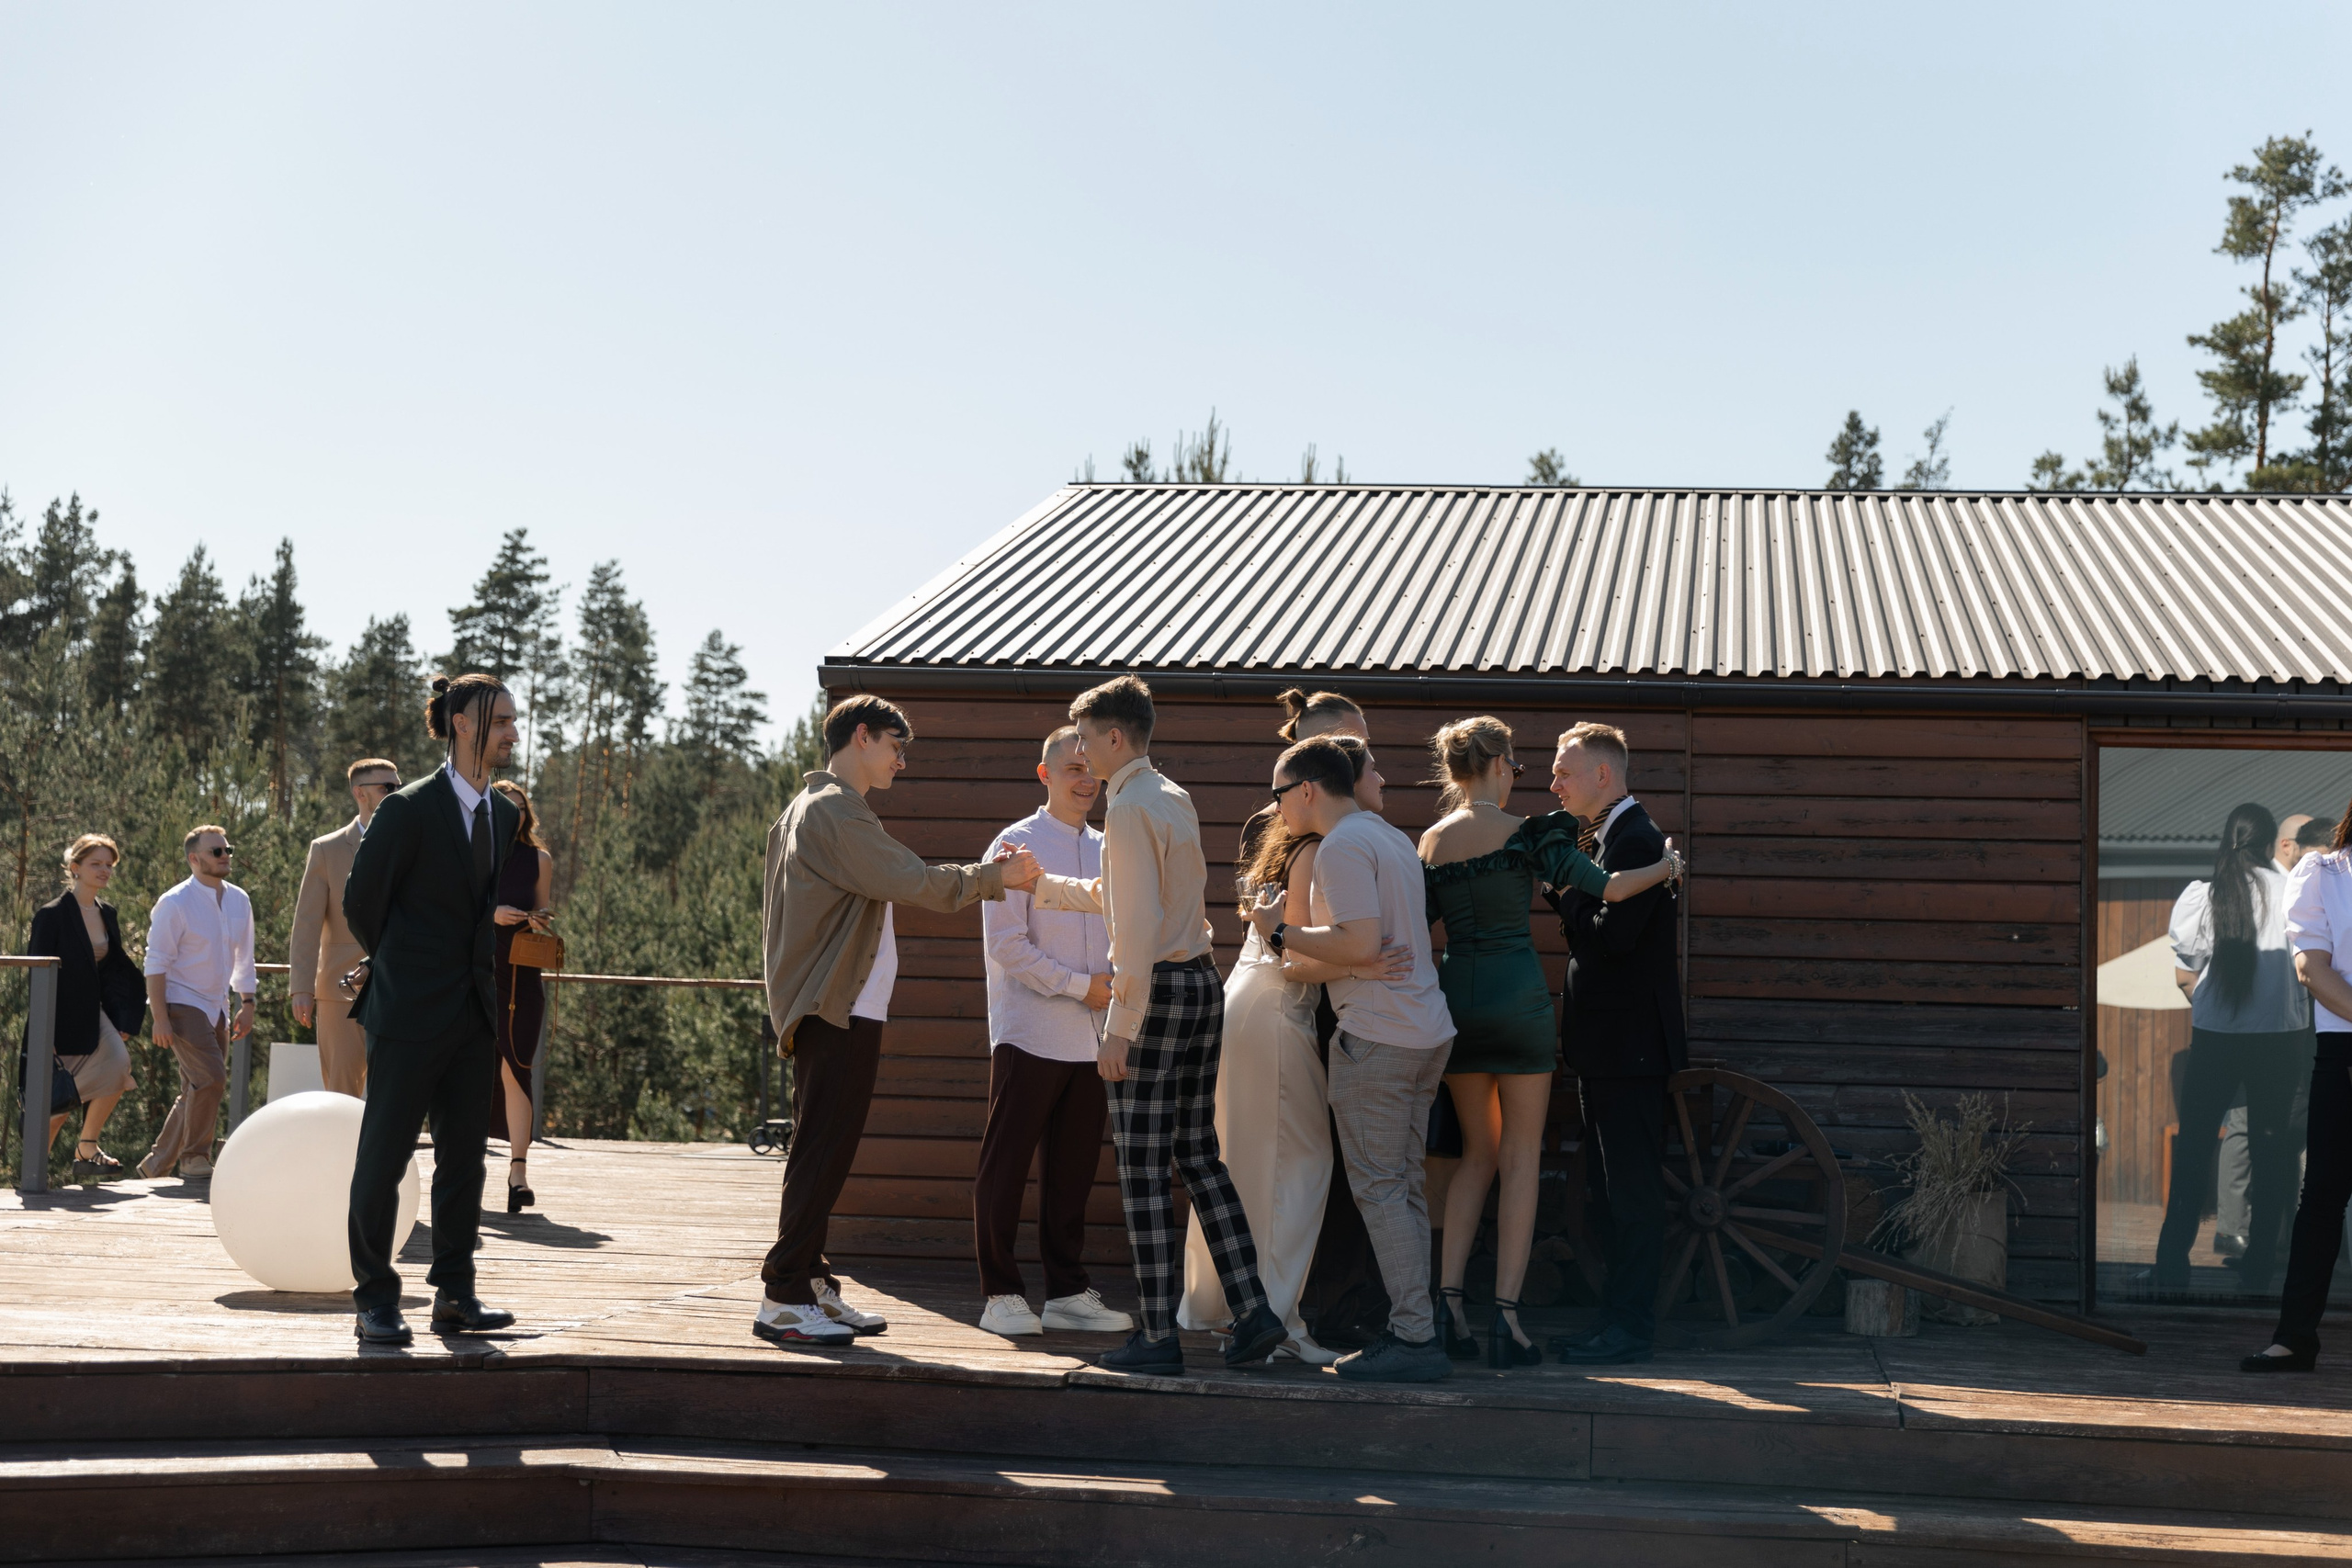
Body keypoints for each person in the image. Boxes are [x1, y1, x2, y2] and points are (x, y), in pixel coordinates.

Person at [759, 696, 1042, 1348]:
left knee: (821, 1151)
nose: (901, 760)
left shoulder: (806, 808)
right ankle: (783, 1292)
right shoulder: (834, 809)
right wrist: (995, 877)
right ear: (860, 736)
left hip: (833, 1005)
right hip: (838, 1008)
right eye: (894, 745)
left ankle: (811, 1280)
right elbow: (909, 878)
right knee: (822, 1152)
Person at [1029, 674, 1289, 1373]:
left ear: (1115, 736)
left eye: (1084, 739)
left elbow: (1135, 927)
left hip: (1156, 994)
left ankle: (1157, 1337)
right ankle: (1255, 1312)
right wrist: (1042, 885)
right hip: (1200, 982)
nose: (1080, 753)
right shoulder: (1168, 795)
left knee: (1142, 1168)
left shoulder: (1127, 809)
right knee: (1199, 1156)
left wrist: (1120, 1026)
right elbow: (1130, 897)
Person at [1419, 717, 1682, 1368]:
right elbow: (1614, 892)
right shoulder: (1531, 835)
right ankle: (1506, 1322)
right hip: (1519, 1006)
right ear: (1502, 765)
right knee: (1519, 1158)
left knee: (1473, 1155)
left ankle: (1447, 1306)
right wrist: (1667, 866)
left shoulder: (1429, 840)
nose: (1543, 779)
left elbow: (1414, 925)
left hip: (1459, 1005)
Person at [1181, 731, 1408, 1364]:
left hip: (1251, 1002)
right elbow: (1297, 953)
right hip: (1277, 1008)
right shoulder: (1314, 849)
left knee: (1255, 1160)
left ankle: (1239, 1305)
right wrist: (1366, 965)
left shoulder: (1294, 846)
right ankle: (1278, 1319)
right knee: (1301, 1166)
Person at [1239, 736, 1459, 1382]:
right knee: (1406, 1190)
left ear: (1307, 788)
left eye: (1280, 793)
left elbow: (1360, 941)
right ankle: (1417, 1324)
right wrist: (1345, 950)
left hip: (1380, 1037)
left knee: (1382, 1190)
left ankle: (1415, 1337)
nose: (1277, 807)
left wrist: (1275, 929)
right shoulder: (1389, 835)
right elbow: (1369, 942)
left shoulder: (1339, 846)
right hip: (1424, 1031)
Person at [343, 673, 525, 1346]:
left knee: (464, 1161)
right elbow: (363, 901)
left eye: (512, 718)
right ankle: (374, 1297)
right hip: (407, 1012)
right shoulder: (407, 810)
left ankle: (454, 1292)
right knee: (383, 1158)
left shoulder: (504, 815)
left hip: (474, 1014)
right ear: (463, 724)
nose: (512, 730)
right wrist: (403, 966)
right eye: (501, 720)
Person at [972, 727, 1132, 1338]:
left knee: (1072, 1172)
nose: (1084, 778)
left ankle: (1066, 1291)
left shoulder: (1111, 844)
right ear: (1045, 774)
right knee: (1006, 1166)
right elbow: (1008, 946)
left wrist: (1110, 994)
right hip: (1030, 1033)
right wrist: (1079, 986)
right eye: (1071, 767)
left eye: (1091, 767)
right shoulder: (1014, 843)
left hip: (1094, 1038)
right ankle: (1001, 1292)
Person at [1544, 722, 1689, 1367]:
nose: (1554, 784)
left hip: (1629, 1049)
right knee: (1611, 1190)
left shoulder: (1632, 838)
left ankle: (1629, 1329)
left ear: (1603, 775)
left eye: (1563, 771)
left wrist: (1561, 892)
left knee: (1629, 1192)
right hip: (1610, 1049)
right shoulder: (1614, 838)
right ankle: (1616, 1322)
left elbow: (1611, 940)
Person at [2154, 803, 2308, 1294]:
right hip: (2279, 1039)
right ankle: (2262, 1263)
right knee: (2272, 1153)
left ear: (2227, 841)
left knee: (2196, 1150)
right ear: (2269, 846)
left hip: (2216, 1038)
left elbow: (2187, 968)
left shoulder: (2206, 894)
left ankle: (2171, 1264)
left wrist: (2213, 1007)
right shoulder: (2291, 893)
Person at [2245, 797, 2352, 1372]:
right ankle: (2294, 1338)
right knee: (2324, 1199)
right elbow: (2311, 968)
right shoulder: (2326, 872)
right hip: (2346, 1050)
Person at [2215, 811, 2326, 1264]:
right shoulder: (2253, 892)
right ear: (2285, 847)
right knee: (2253, 1130)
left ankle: (2281, 1235)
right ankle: (2240, 1232)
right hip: (2265, 1031)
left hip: (2301, 1032)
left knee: (2290, 1134)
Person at [138, 825, 256, 1182]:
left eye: (227, 850)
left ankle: (156, 1165)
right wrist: (160, 1018)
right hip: (181, 1002)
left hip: (217, 1005)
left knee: (196, 1084)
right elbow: (155, 964)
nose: (225, 857)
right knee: (211, 1078)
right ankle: (194, 1158)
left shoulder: (239, 900)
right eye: (216, 851)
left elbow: (244, 958)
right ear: (194, 859)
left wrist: (247, 1001)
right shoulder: (174, 903)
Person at [25, 835, 143, 1182]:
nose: (104, 870)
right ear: (75, 868)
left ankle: (87, 1146)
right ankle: (34, 1174)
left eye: (109, 865)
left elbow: (114, 970)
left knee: (118, 1066)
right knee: (57, 1102)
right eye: (96, 864)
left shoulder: (107, 913)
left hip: (94, 1013)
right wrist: (44, 1032)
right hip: (58, 1016)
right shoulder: (51, 915)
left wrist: (123, 1016)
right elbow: (37, 973)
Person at [290, 758, 402, 1098]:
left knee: (396, 1088)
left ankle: (388, 1154)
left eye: (400, 786)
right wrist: (301, 988)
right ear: (360, 793)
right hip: (340, 987)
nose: (398, 793)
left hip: (401, 983)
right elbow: (307, 924)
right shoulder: (326, 849)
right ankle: (343, 1153)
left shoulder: (415, 844)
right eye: (388, 788)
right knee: (342, 1088)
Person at [489, 778, 555, 1213]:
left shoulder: (539, 858)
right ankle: (462, 1168)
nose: (512, 815)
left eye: (519, 808)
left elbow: (546, 910)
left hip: (522, 977)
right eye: (503, 807)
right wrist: (490, 913)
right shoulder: (470, 854)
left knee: (518, 1069)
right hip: (475, 974)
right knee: (470, 1072)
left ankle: (518, 1173)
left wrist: (537, 919)